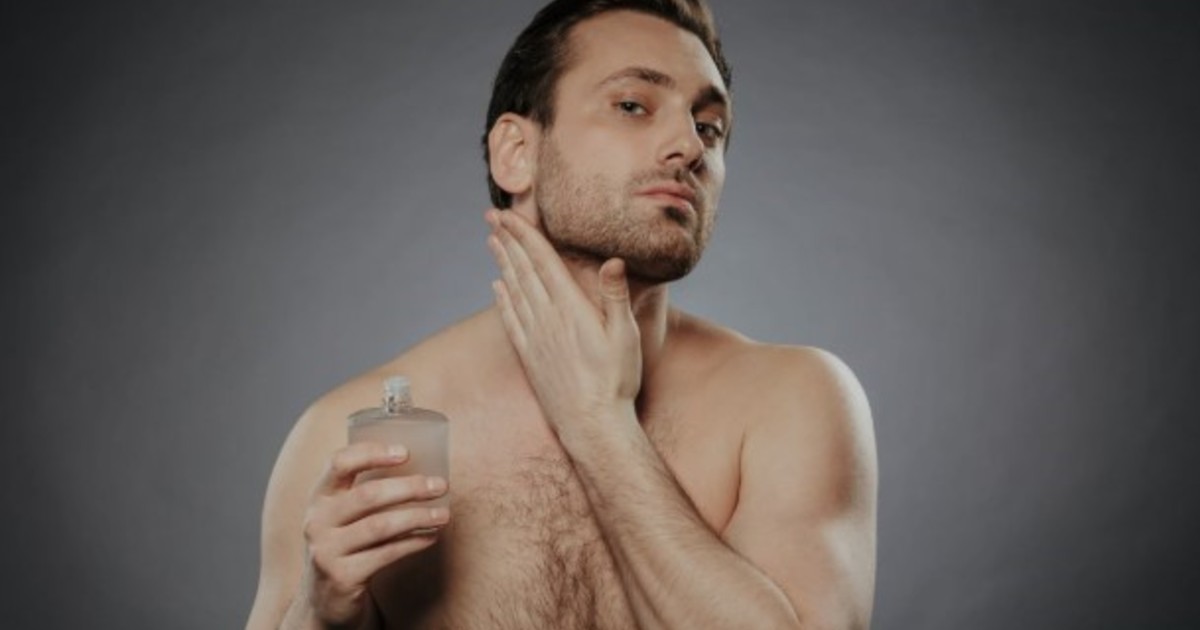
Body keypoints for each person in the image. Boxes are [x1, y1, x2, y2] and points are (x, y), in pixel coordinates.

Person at [246, 1, 878, 628]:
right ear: (516, 152)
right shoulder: (348, 438)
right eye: (632, 105)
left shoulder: (790, 401)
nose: (690, 146)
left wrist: (599, 423)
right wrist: (318, 615)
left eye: (709, 126)